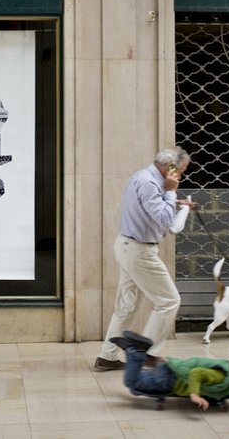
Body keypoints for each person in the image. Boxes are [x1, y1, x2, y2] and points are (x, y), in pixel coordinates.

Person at [94, 146, 195, 371]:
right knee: (169, 301)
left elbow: (148, 209)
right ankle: (147, 353)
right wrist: (171, 192)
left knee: (127, 306)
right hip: (140, 252)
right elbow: (166, 220)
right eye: (181, 170)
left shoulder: (141, 177)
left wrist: (177, 202)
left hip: (128, 246)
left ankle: (107, 357)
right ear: (169, 167)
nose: (181, 175)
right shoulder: (150, 184)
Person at [111, 330, 229, 410]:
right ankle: (136, 352)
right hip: (170, 380)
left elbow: (215, 390)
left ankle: (134, 350)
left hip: (169, 374)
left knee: (136, 389)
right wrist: (195, 394)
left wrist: (216, 399)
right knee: (131, 383)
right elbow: (196, 374)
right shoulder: (223, 377)